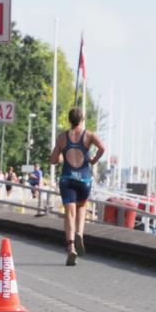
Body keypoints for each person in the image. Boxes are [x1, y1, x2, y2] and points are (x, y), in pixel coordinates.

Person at [50, 107, 106, 265]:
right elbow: (102, 148)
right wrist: (94, 160)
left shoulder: (62, 137)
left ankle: (71, 247)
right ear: (82, 120)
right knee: (81, 207)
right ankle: (79, 233)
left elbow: (53, 159)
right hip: (84, 180)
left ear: (69, 120)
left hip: (67, 179)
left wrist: (61, 157)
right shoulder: (89, 135)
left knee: (69, 213)